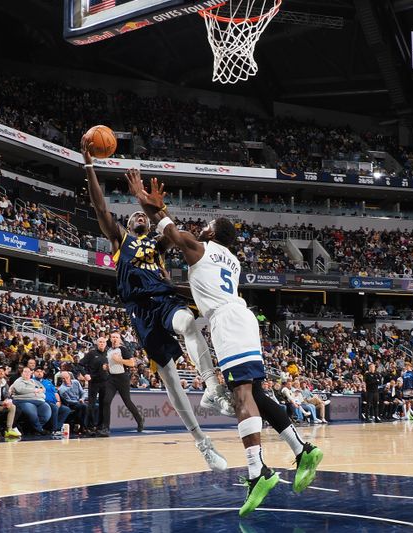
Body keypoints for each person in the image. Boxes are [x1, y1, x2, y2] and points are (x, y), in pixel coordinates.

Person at [127, 173, 322, 517]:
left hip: (228, 323)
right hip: (239, 317)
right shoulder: (231, 259)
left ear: (213, 233)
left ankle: (257, 471)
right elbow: (206, 290)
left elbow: (170, 233)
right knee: (257, 394)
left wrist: (152, 204)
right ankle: (301, 449)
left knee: (242, 397)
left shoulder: (199, 246)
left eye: (207, 225)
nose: (201, 227)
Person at [83, 138, 230, 472]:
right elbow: (99, 208)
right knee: (170, 379)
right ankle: (201, 443)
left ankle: (212, 387)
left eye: (142, 216)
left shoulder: (157, 243)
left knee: (188, 325)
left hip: (164, 300)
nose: (138, 217)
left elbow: (171, 231)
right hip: (141, 313)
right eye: (134, 215)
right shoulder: (121, 240)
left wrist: (156, 207)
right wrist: (89, 165)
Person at [99, 331, 144, 436]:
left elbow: (132, 363)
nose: (114, 339)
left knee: (127, 402)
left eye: (116, 337)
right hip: (111, 378)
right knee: (106, 401)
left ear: (119, 339)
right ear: (110, 339)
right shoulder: (109, 350)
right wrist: (106, 366)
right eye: (113, 337)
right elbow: (110, 363)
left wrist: (119, 360)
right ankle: (105, 428)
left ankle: (139, 420)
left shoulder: (123, 349)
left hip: (122, 378)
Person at [10, 366, 51, 435]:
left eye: (28, 372)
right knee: (32, 412)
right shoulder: (18, 381)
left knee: (46, 412)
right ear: (21, 373)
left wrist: (38, 391)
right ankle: (39, 429)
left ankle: (34, 429)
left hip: (39, 400)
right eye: (25, 371)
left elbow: (43, 390)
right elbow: (21, 390)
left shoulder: (34, 381)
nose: (27, 373)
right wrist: (34, 390)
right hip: (24, 400)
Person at [80, 337, 109, 431]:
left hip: (105, 382)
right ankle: (89, 426)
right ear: (97, 343)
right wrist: (85, 374)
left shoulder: (109, 354)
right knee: (91, 405)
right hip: (94, 382)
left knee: (103, 405)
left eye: (103, 342)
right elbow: (80, 364)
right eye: (100, 342)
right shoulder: (92, 353)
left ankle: (100, 426)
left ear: (106, 343)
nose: (101, 343)